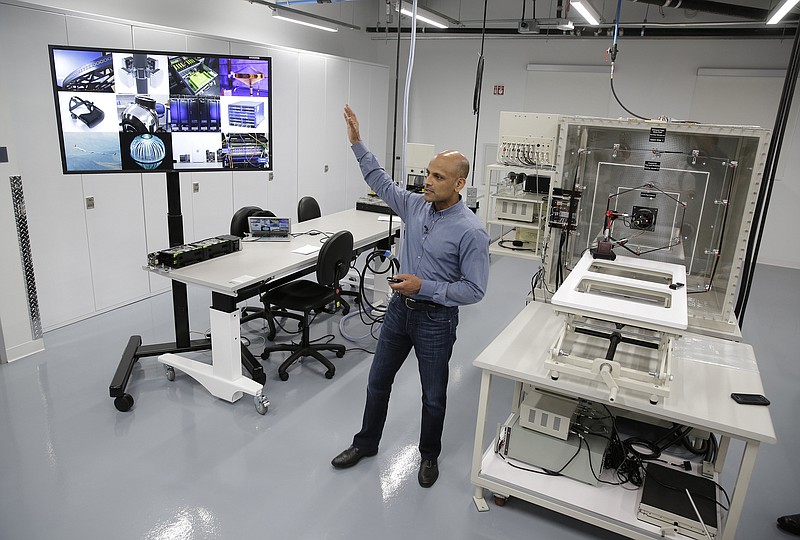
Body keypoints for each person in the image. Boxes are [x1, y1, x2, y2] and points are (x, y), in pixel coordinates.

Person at [331, 105, 490, 488]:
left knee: (433, 395)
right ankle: (367, 442)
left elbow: (475, 289)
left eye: (438, 177)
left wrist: (426, 287)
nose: (427, 181)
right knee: (377, 382)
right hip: (399, 313)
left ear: (459, 184)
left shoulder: (471, 232)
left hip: (436, 319)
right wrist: (357, 143)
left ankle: (428, 455)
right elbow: (381, 181)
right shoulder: (415, 205)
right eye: (427, 173)